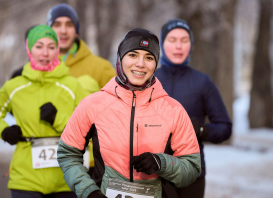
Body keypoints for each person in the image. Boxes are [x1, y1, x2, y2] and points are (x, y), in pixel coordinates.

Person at [57, 28, 201, 198]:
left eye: (149, 57)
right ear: (120, 58)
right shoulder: (93, 104)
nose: (140, 64)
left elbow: (192, 167)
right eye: (133, 55)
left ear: (155, 64)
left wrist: (161, 163)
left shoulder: (173, 109)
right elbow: (67, 154)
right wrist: (89, 192)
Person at [0, 25, 86, 198]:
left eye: (51, 47)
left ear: (57, 49)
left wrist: (57, 118)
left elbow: (87, 125)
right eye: (39, 46)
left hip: (65, 180)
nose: (45, 53)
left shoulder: (72, 85)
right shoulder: (14, 86)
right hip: (25, 179)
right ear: (29, 49)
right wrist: (4, 130)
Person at [155, 19, 232, 198]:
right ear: (162, 43)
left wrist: (201, 130)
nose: (179, 46)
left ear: (191, 44)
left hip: (192, 174)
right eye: (172, 40)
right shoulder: (150, 80)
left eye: (184, 40)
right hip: (154, 172)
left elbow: (225, 127)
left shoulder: (202, 82)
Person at [47, 3, 116, 94]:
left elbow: (121, 103)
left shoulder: (102, 68)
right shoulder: (37, 68)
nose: (63, 31)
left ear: (76, 32)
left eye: (69, 25)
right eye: (57, 25)